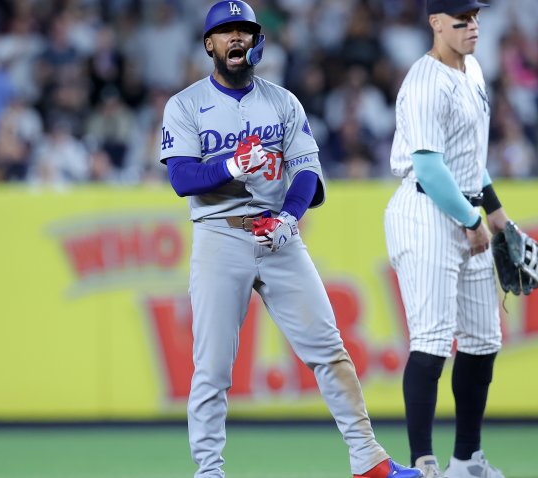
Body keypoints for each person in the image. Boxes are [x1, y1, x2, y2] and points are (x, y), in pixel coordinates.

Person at [158, 2, 423, 478]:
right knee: (212, 368)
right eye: (225, 32)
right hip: (219, 235)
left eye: (244, 30)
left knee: (329, 349)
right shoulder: (185, 105)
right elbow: (181, 178)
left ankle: (368, 460)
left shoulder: (282, 101)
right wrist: (231, 167)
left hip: (278, 236)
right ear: (209, 45)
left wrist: (289, 215)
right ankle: (209, 471)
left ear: (257, 40)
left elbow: (306, 171)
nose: (235, 38)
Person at [384, 1, 519, 477]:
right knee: (433, 340)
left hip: (464, 207)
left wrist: (496, 212)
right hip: (425, 210)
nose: (473, 26)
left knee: (483, 340)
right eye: (461, 19)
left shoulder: (475, 70)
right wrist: (471, 218)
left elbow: (467, 157)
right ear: (435, 23)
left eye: (476, 17)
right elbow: (429, 167)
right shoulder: (423, 82)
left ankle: (467, 460)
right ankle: (425, 465)